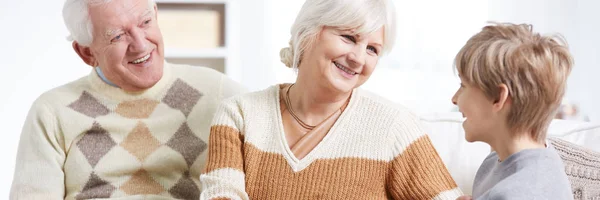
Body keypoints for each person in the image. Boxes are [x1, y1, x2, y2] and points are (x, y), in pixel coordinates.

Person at [200, 0, 462, 199]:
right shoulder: (239, 115)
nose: (358, 58)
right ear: (308, 32)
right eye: (349, 37)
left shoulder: (395, 126)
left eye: (372, 49)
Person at [9, 0, 245, 199]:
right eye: (118, 36)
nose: (141, 45)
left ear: (156, 15)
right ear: (87, 53)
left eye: (145, 23)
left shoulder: (219, 93)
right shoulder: (53, 111)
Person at [451, 23, 574, 200]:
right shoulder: (511, 160)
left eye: (463, 86)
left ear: (498, 98)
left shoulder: (522, 192)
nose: (454, 99)